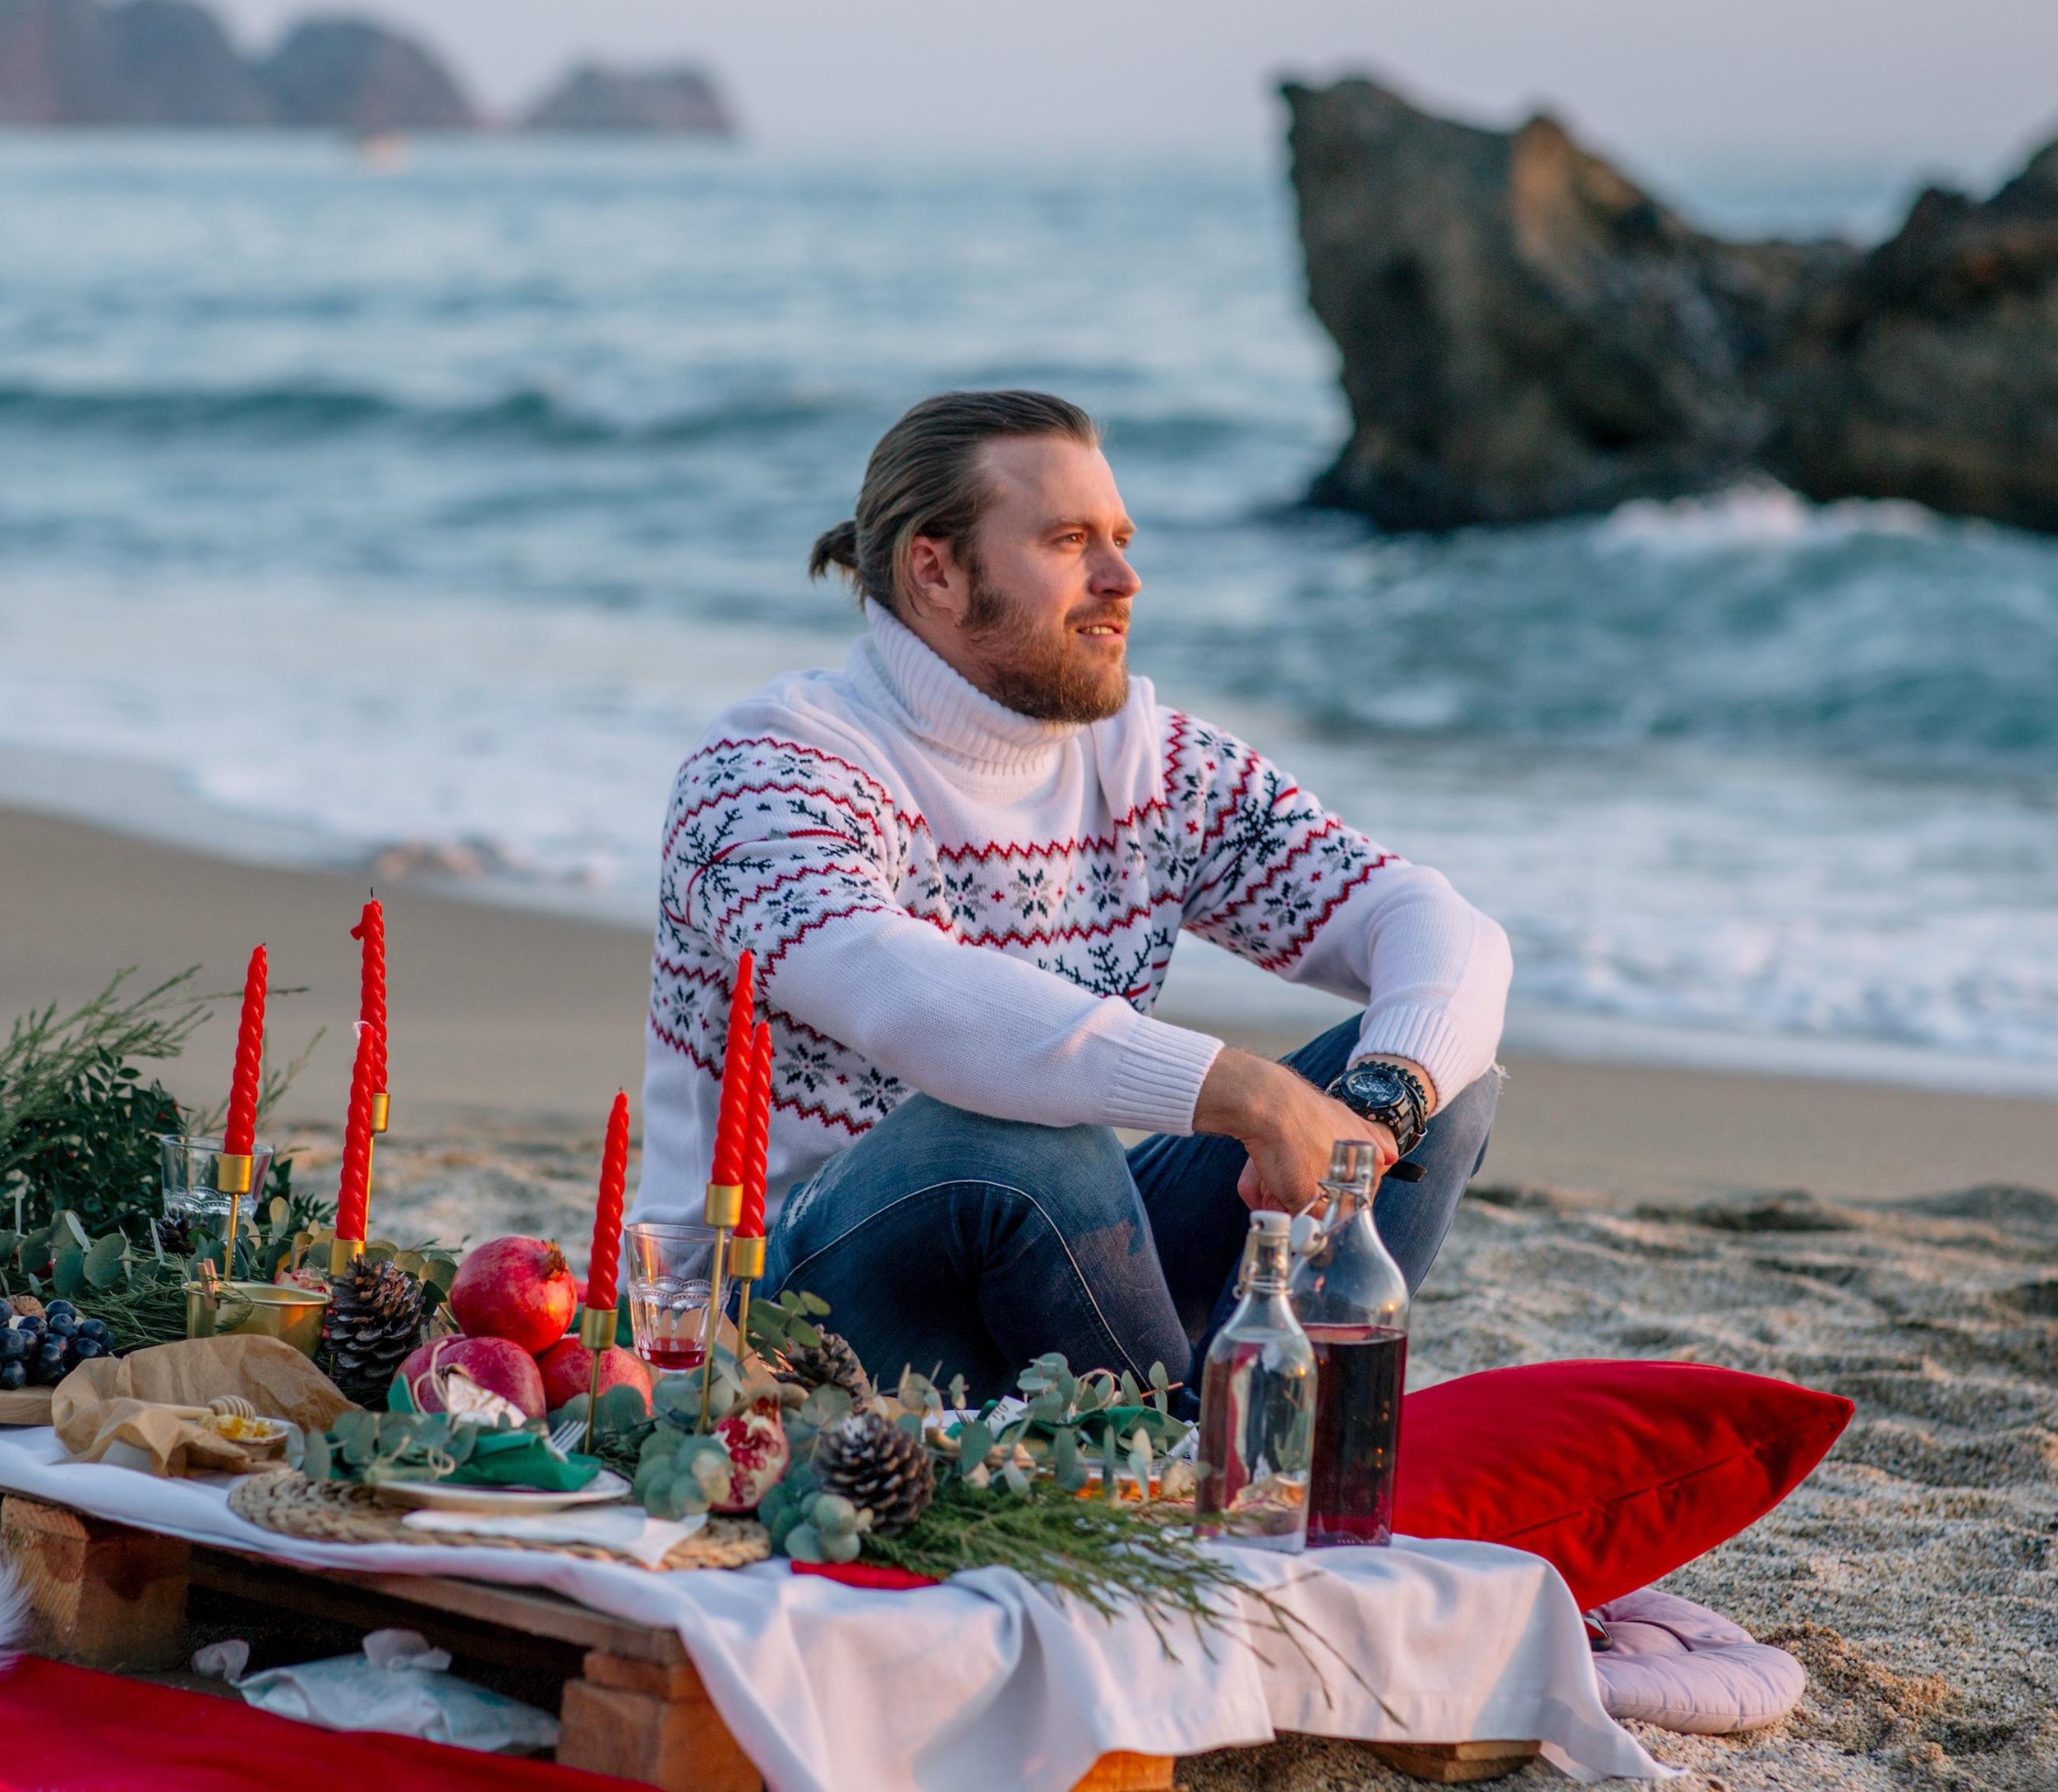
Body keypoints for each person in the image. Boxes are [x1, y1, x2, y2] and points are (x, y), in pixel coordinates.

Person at [633, 390, 1510, 1397]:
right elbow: (904, 995)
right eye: (1067, 541)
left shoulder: (1151, 767)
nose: (1122, 579)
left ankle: (1271, 1426)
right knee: (1020, 1135)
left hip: (1035, 1274)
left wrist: (1381, 1101)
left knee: (1442, 1071)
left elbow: (1432, 923)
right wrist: (1249, 1093)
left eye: (1121, 540)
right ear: (934, 570)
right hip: (762, 1313)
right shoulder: (766, 772)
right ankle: (1177, 1451)